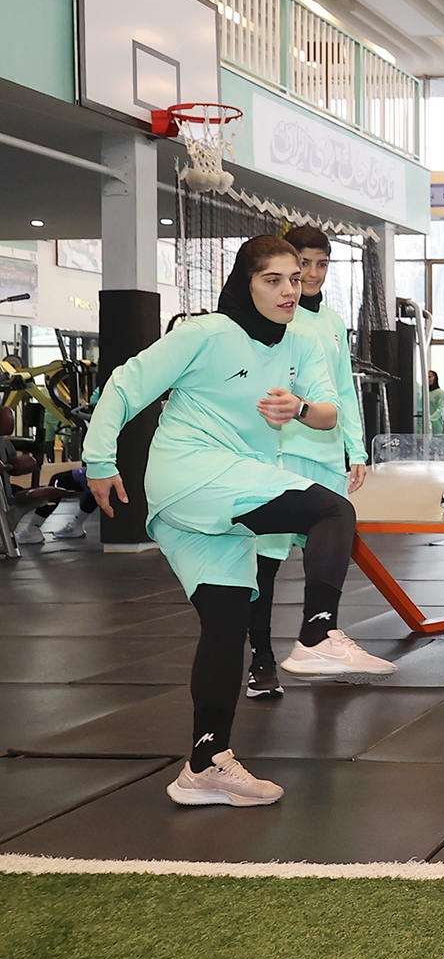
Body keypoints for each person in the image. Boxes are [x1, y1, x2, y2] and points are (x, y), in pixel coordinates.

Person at [84, 236, 395, 808]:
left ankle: (205, 764)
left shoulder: (303, 340)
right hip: (191, 473)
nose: (288, 290)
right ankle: (317, 633)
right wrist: (99, 460)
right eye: (272, 279)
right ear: (245, 283)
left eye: (294, 279)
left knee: (226, 626)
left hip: (215, 500)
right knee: (332, 509)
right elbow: (126, 384)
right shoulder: (206, 334)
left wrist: (299, 409)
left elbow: (328, 412)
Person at [245, 226, 368, 702]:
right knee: (264, 566)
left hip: (325, 456)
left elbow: (342, 393)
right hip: (279, 456)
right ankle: (261, 659)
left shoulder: (332, 322)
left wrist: (355, 450)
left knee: (327, 555)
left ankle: (317, 639)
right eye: (303, 265)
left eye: (321, 265)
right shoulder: (270, 320)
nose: (311, 275)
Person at [426, 370, 444, 434]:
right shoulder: (424, 392)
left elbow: (440, 408)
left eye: (429, 377)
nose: (428, 379)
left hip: (437, 422)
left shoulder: (440, 392)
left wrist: (430, 418)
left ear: (435, 378)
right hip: (425, 423)